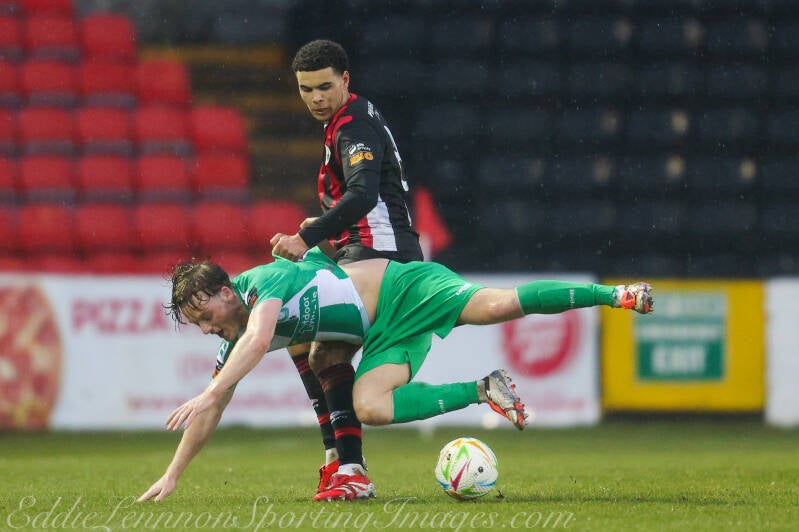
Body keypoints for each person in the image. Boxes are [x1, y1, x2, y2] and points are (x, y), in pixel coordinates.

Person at [137, 247, 653, 502]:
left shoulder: (265, 286)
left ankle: (615, 294)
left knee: (499, 306)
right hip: (384, 335)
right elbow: (218, 404)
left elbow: (254, 342)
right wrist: (173, 474)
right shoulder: (237, 328)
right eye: (197, 324)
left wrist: (210, 390)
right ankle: (482, 388)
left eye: (205, 317)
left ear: (226, 293)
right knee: (370, 406)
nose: (206, 329)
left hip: (403, 289)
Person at [269, 39, 426, 498]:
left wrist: (308, 236)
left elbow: (363, 195)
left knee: (326, 354)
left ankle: (352, 471)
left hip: (382, 257)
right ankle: (336, 458)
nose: (315, 98)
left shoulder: (352, 125)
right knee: (295, 333)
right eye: (305, 90)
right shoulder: (345, 119)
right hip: (356, 251)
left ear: (345, 80)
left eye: (324, 87)